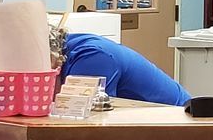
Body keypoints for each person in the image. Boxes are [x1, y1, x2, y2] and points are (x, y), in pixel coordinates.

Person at [52, 27, 192, 106]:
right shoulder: (60, 48)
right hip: (141, 122)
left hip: (175, 119)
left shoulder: (91, 57)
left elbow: (85, 121)